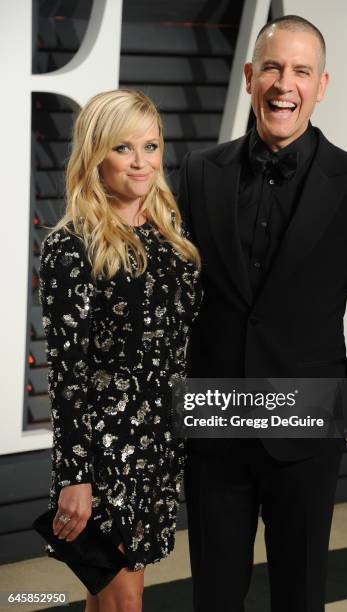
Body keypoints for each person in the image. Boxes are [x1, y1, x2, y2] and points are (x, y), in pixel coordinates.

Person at [178, 15, 347, 612]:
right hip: (215, 427)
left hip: (308, 428)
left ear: (321, 85)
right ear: (250, 77)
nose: (285, 84)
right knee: (215, 596)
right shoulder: (198, 172)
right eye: (272, 67)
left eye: (301, 71)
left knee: (300, 594)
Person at [39, 89, 202, 612]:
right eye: (123, 148)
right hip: (106, 452)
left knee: (115, 596)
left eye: (150, 147)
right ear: (95, 155)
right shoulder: (71, 245)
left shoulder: (170, 237)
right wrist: (74, 476)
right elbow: (67, 374)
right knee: (122, 600)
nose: (140, 162)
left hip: (160, 445)